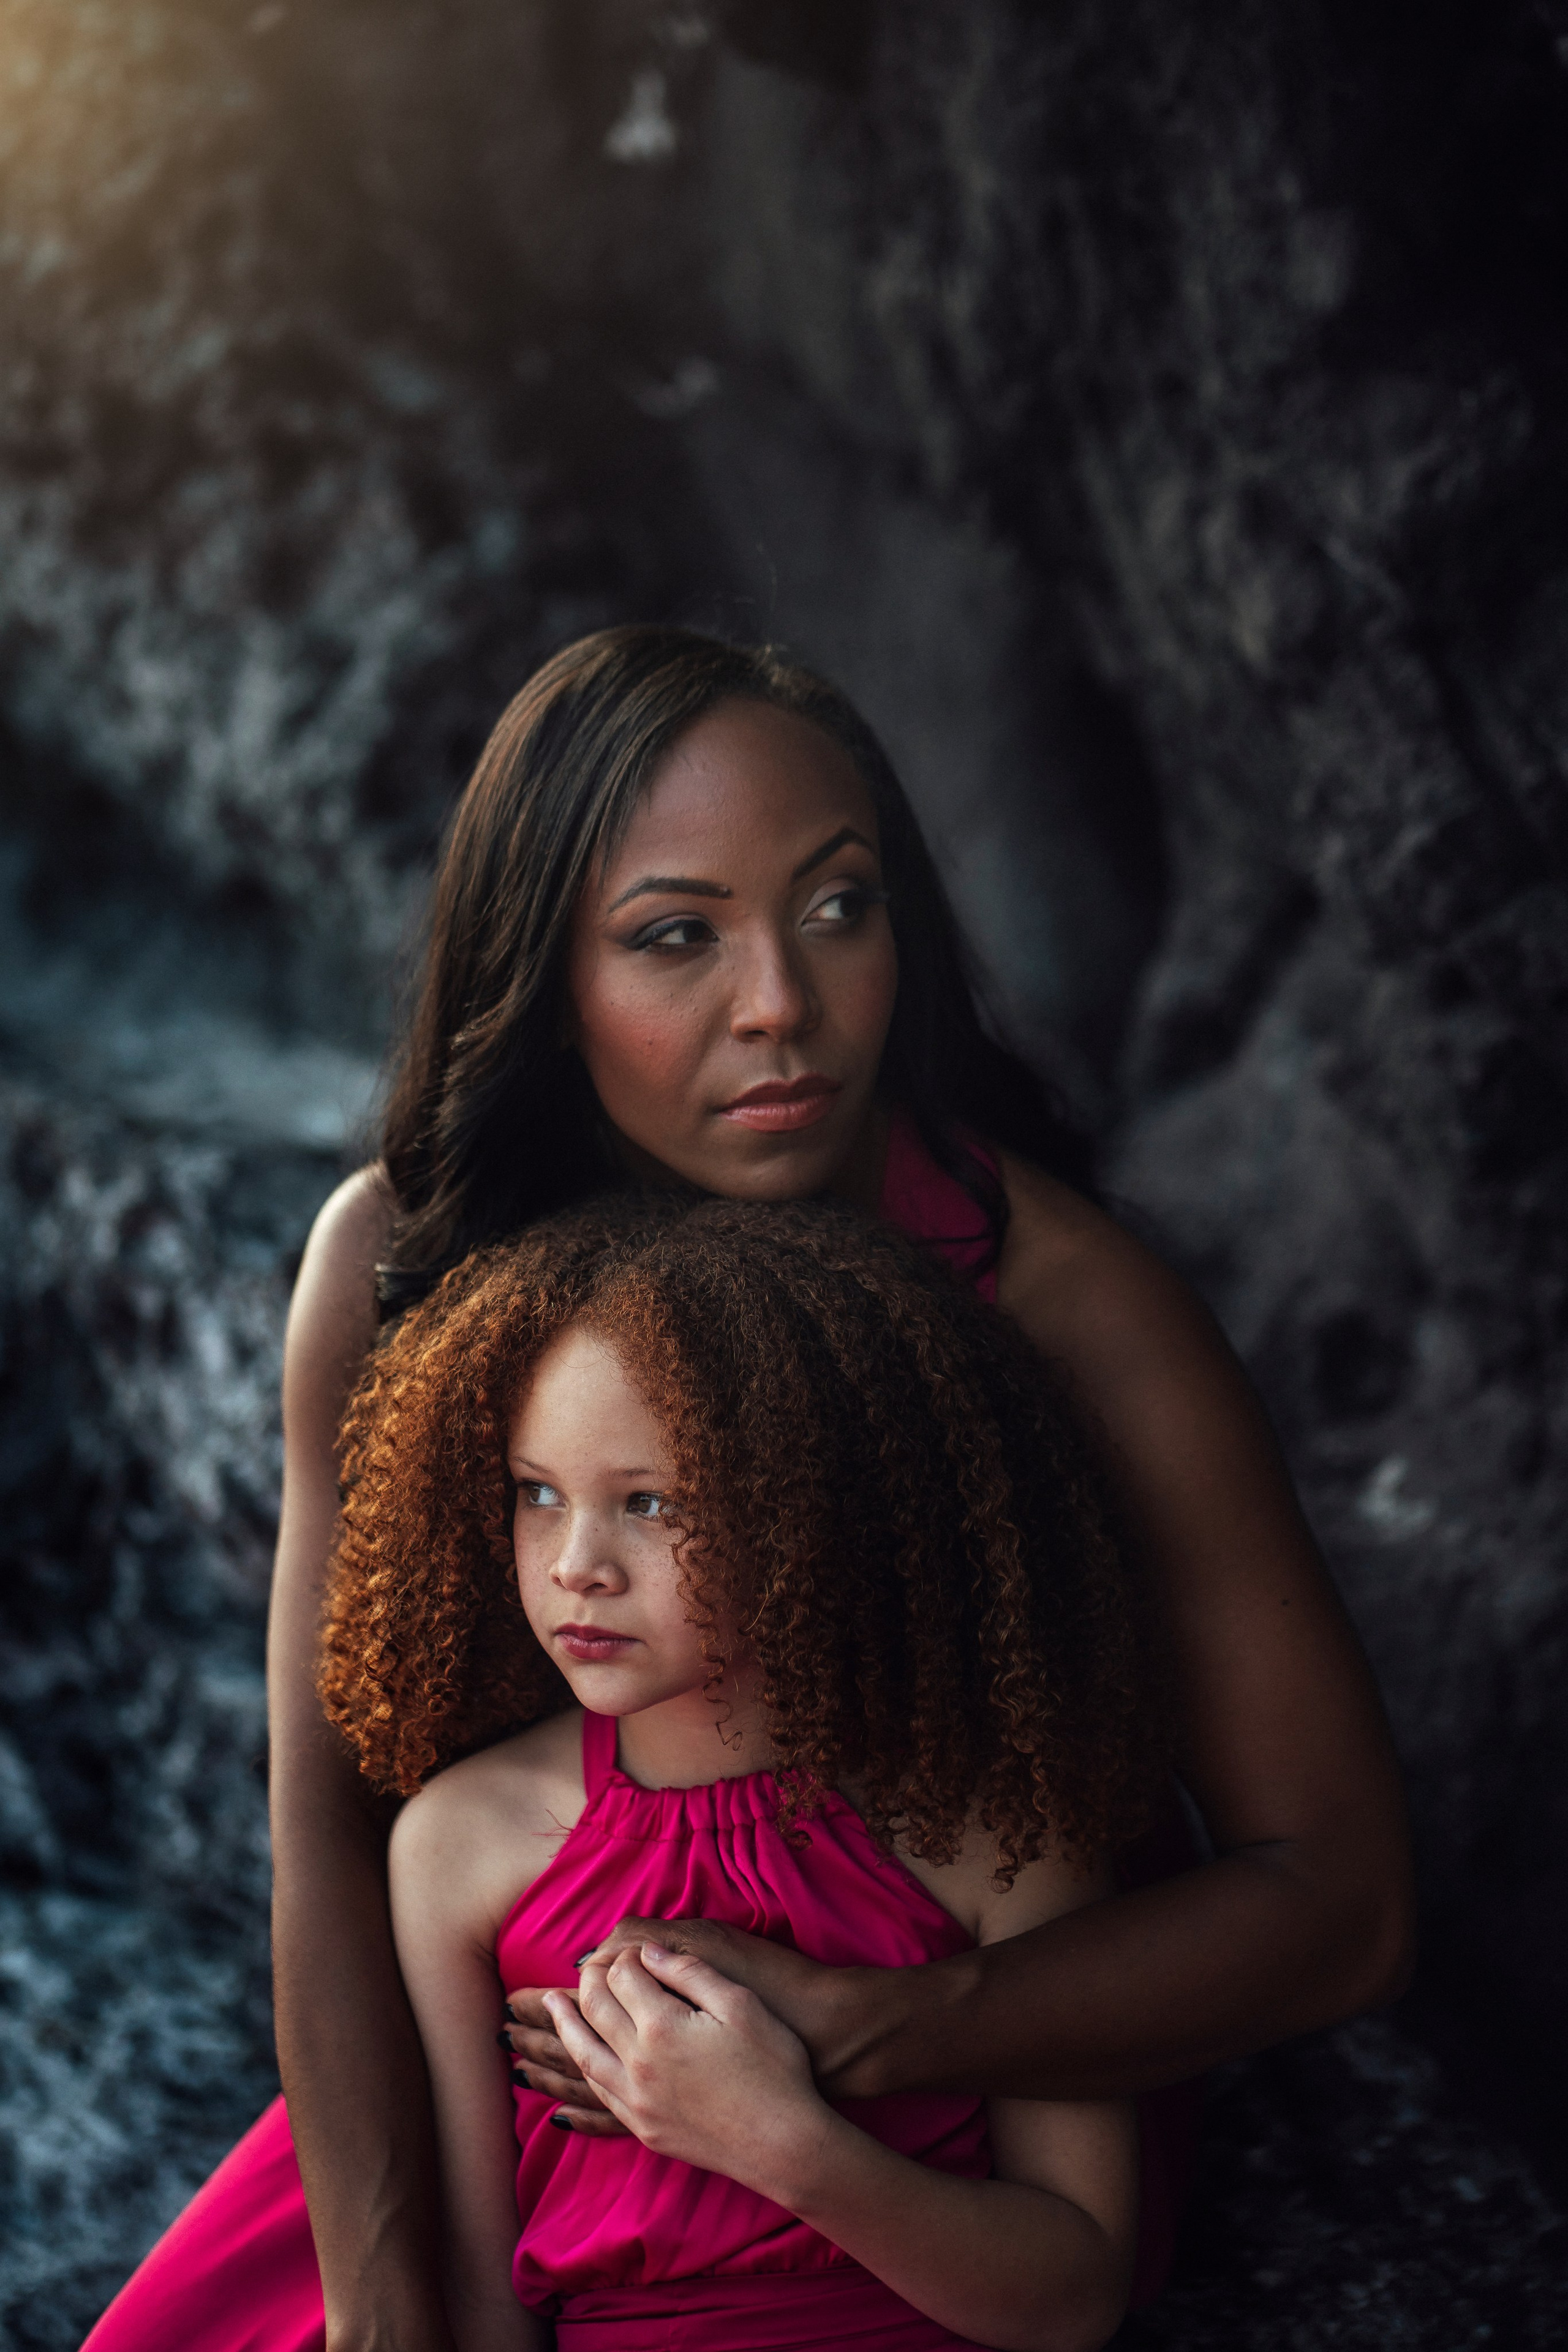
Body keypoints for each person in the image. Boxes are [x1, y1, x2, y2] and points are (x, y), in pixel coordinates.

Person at [82, 625, 1413, 2352]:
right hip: (534, 2081)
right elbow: (332, 1821)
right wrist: (386, 2295)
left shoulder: (1063, 1299)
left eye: (839, 906)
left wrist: (887, 2027)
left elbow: (1347, 1901)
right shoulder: (403, 1260)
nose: (782, 999)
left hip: (977, 2070)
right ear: (547, 975)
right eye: (675, 937)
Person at [322, 1191, 1167, 2352]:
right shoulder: (462, 1845)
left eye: (651, 1502)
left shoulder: (991, 1822)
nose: (577, 1566)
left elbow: (1074, 2298)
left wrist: (773, 2137)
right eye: (538, 1494)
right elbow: (485, 2300)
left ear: (810, 1515)